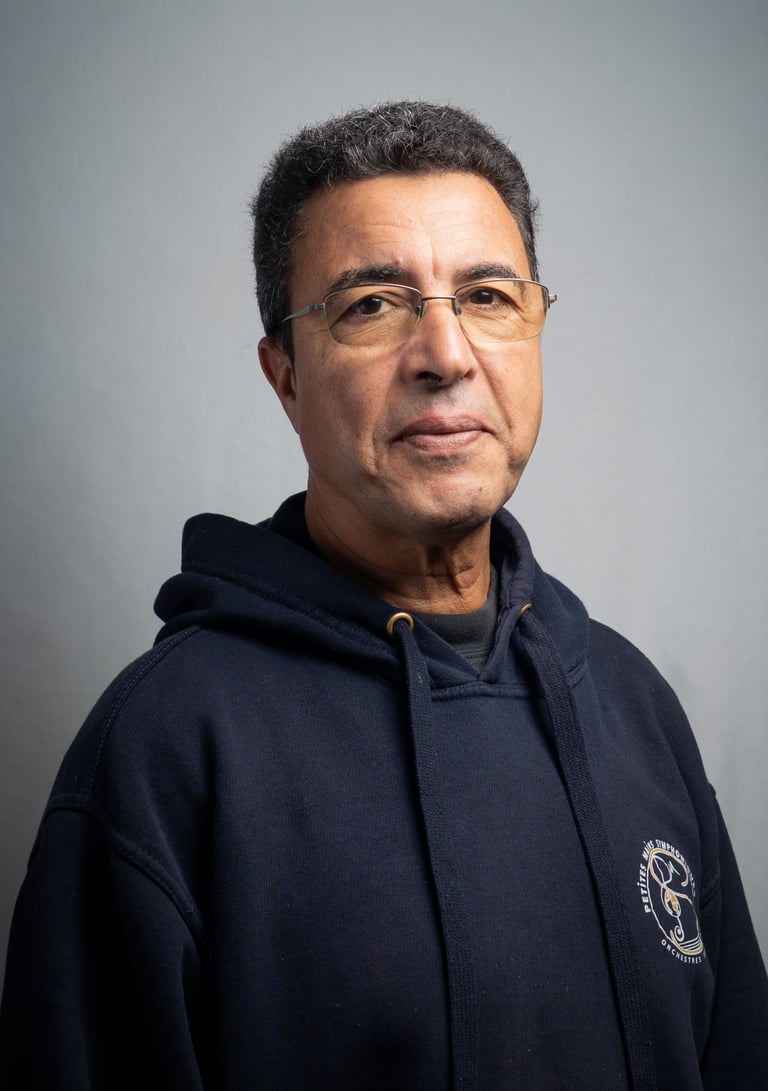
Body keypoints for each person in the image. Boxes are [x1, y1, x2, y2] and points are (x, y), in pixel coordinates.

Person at [1, 101, 766, 1091]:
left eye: (487, 296)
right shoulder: (164, 749)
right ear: (285, 374)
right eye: (372, 304)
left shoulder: (634, 704)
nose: (446, 354)